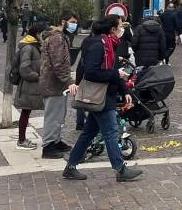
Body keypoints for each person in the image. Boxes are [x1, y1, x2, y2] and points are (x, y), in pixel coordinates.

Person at [62, 16, 143, 181]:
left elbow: (114, 71)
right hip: (101, 97)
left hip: (105, 95)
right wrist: (115, 74)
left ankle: (70, 166)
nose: (122, 30)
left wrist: (125, 90)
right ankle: (120, 170)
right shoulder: (99, 45)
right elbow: (91, 71)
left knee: (88, 133)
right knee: (111, 132)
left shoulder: (110, 45)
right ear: (112, 29)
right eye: (120, 26)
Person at [39, 13, 76, 160]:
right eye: (72, 22)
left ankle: (56, 141)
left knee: (59, 115)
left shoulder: (60, 37)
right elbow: (58, 63)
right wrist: (69, 81)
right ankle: (48, 146)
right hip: (52, 84)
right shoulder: (56, 38)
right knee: (53, 116)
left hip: (57, 84)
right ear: (63, 22)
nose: (74, 25)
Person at [14, 22, 46, 150]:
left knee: (26, 112)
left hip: (33, 85)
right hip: (29, 85)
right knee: (25, 111)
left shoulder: (35, 45)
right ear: (38, 33)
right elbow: (24, 69)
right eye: (43, 33)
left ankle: (22, 139)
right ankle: (21, 140)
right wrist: (38, 77)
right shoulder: (28, 47)